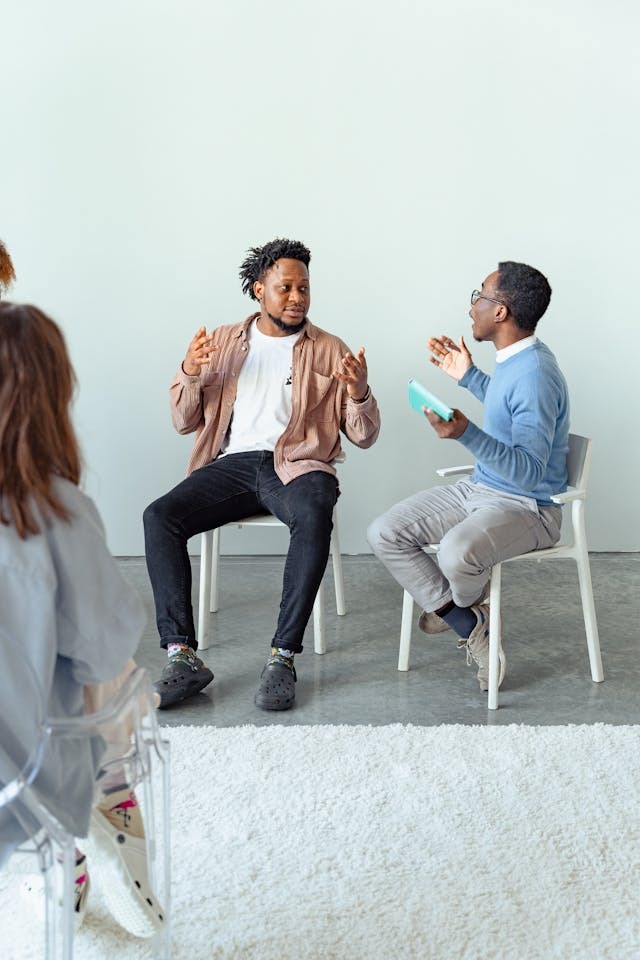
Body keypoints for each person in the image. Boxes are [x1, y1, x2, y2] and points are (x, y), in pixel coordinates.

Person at [144, 237, 380, 711]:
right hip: (231, 464)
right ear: (259, 290)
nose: (297, 298)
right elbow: (183, 421)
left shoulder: (330, 349)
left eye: (304, 288)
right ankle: (181, 655)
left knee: (315, 514)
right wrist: (190, 370)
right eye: (285, 288)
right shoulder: (224, 343)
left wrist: (357, 390)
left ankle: (283, 657)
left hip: (298, 465)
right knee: (159, 516)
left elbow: (364, 435)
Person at [0, 293, 163, 937]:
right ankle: (111, 814)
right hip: (30, 777)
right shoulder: (56, 511)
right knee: (118, 681)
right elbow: (101, 654)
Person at [367, 261, 569, 692]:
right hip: (481, 488)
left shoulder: (535, 374)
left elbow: (530, 473)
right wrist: (469, 377)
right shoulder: (517, 361)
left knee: (456, 553)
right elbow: (505, 406)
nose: (472, 305)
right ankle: (468, 619)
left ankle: (456, 609)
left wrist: (465, 434)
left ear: (500, 312)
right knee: (385, 532)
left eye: (479, 295)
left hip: (529, 508)